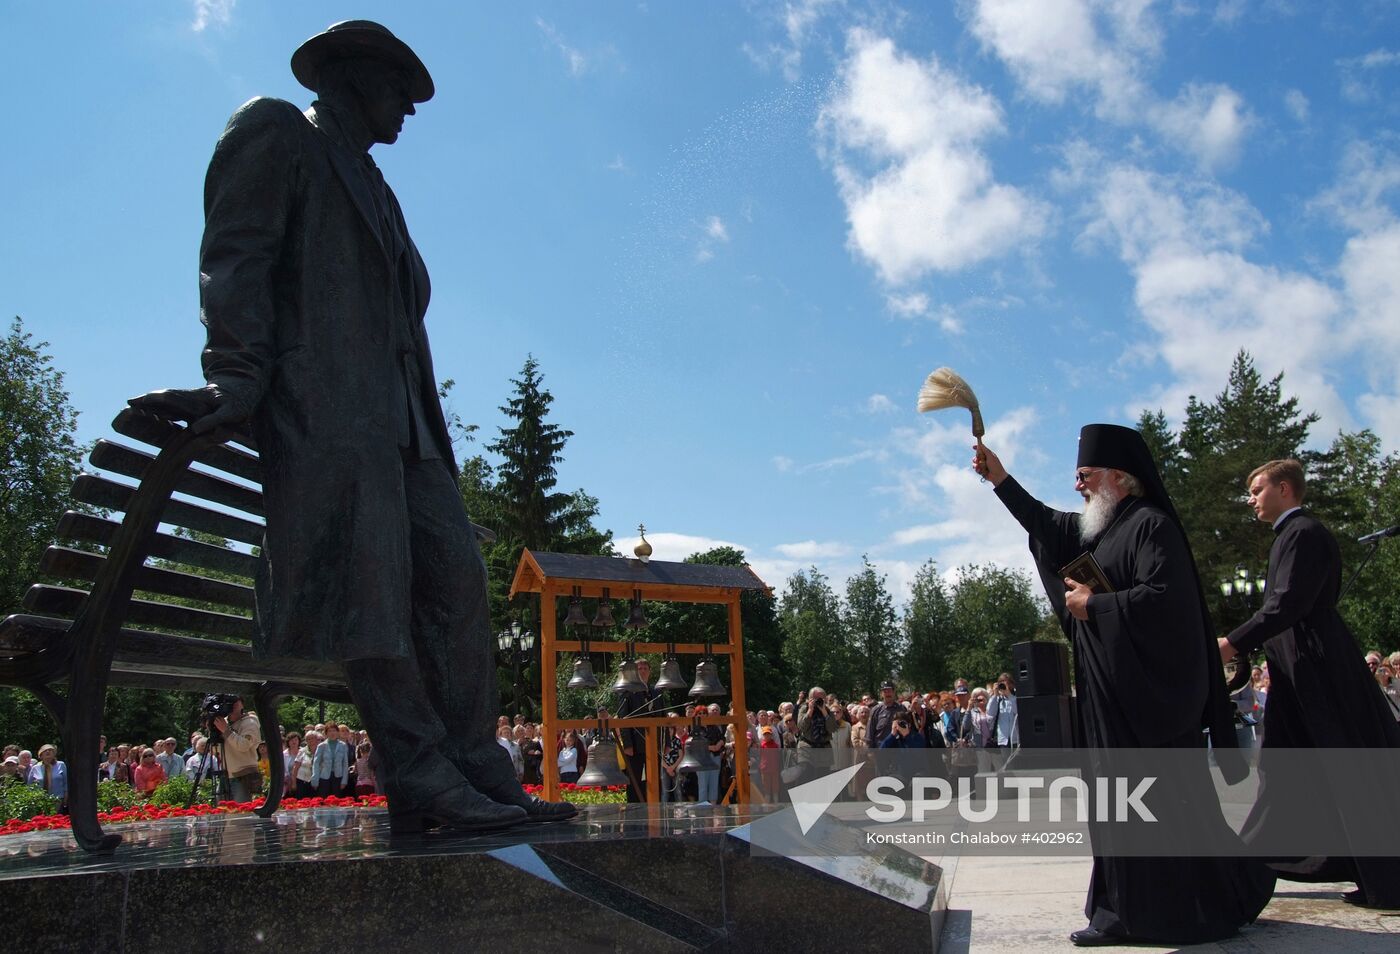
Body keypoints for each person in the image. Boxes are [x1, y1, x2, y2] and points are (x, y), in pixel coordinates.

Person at [126, 19, 569, 832]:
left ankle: (476, 761)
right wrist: (236, 373)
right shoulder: (278, 133)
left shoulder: (380, 189)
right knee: (373, 594)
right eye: (399, 88)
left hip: (407, 425)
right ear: (353, 77)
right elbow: (237, 254)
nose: (408, 107)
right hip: (328, 416)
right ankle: (421, 776)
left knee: (458, 581)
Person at [977, 425, 1274, 946]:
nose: (1078, 487)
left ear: (1120, 477)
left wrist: (1094, 605)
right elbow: (1047, 525)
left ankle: (1176, 913)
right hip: (1110, 697)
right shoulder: (1103, 530)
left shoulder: (1151, 526)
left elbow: (1164, 600)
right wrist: (1000, 479)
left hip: (1149, 705)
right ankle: (1122, 911)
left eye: (1084, 476)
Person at [1219, 458, 1400, 908]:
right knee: (1287, 772)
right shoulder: (1292, 536)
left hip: (1317, 671)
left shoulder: (1302, 533)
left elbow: (1288, 605)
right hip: (1298, 670)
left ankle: (1385, 879)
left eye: (1257, 490)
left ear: (1285, 489)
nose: (1251, 499)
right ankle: (1255, 863)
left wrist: (1232, 642)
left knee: (1344, 771)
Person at [213, 696, 263, 802]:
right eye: (229, 701)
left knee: (243, 813)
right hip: (225, 774)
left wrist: (226, 730)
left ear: (242, 704)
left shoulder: (250, 722)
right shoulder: (223, 722)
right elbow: (215, 750)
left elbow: (243, 745)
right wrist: (213, 731)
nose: (233, 703)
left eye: (236, 700)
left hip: (243, 775)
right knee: (223, 812)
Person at [28, 744, 68, 812]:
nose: (48, 752)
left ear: (54, 754)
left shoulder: (61, 765)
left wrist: (66, 796)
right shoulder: (35, 768)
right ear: (41, 755)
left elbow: (66, 782)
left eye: (50, 750)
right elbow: (29, 785)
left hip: (57, 798)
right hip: (40, 800)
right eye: (45, 751)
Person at [868, 682, 907, 748]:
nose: (887, 693)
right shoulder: (876, 710)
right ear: (881, 694)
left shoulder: (902, 708)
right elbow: (870, 733)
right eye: (885, 691)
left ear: (894, 692)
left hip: (898, 749)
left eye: (889, 691)